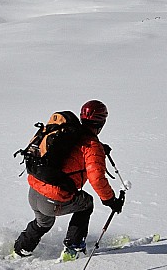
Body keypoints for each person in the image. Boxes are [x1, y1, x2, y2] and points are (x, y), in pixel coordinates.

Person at [14, 100, 124, 260]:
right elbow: (97, 179)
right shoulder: (92, 146)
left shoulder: (69, 133)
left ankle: (20, 249)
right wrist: (111, 200)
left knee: (43, 223)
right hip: (52, 198)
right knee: (86, 204)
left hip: (34, 191)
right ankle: (73, 248)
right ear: (102, 122)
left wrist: (99, 147)